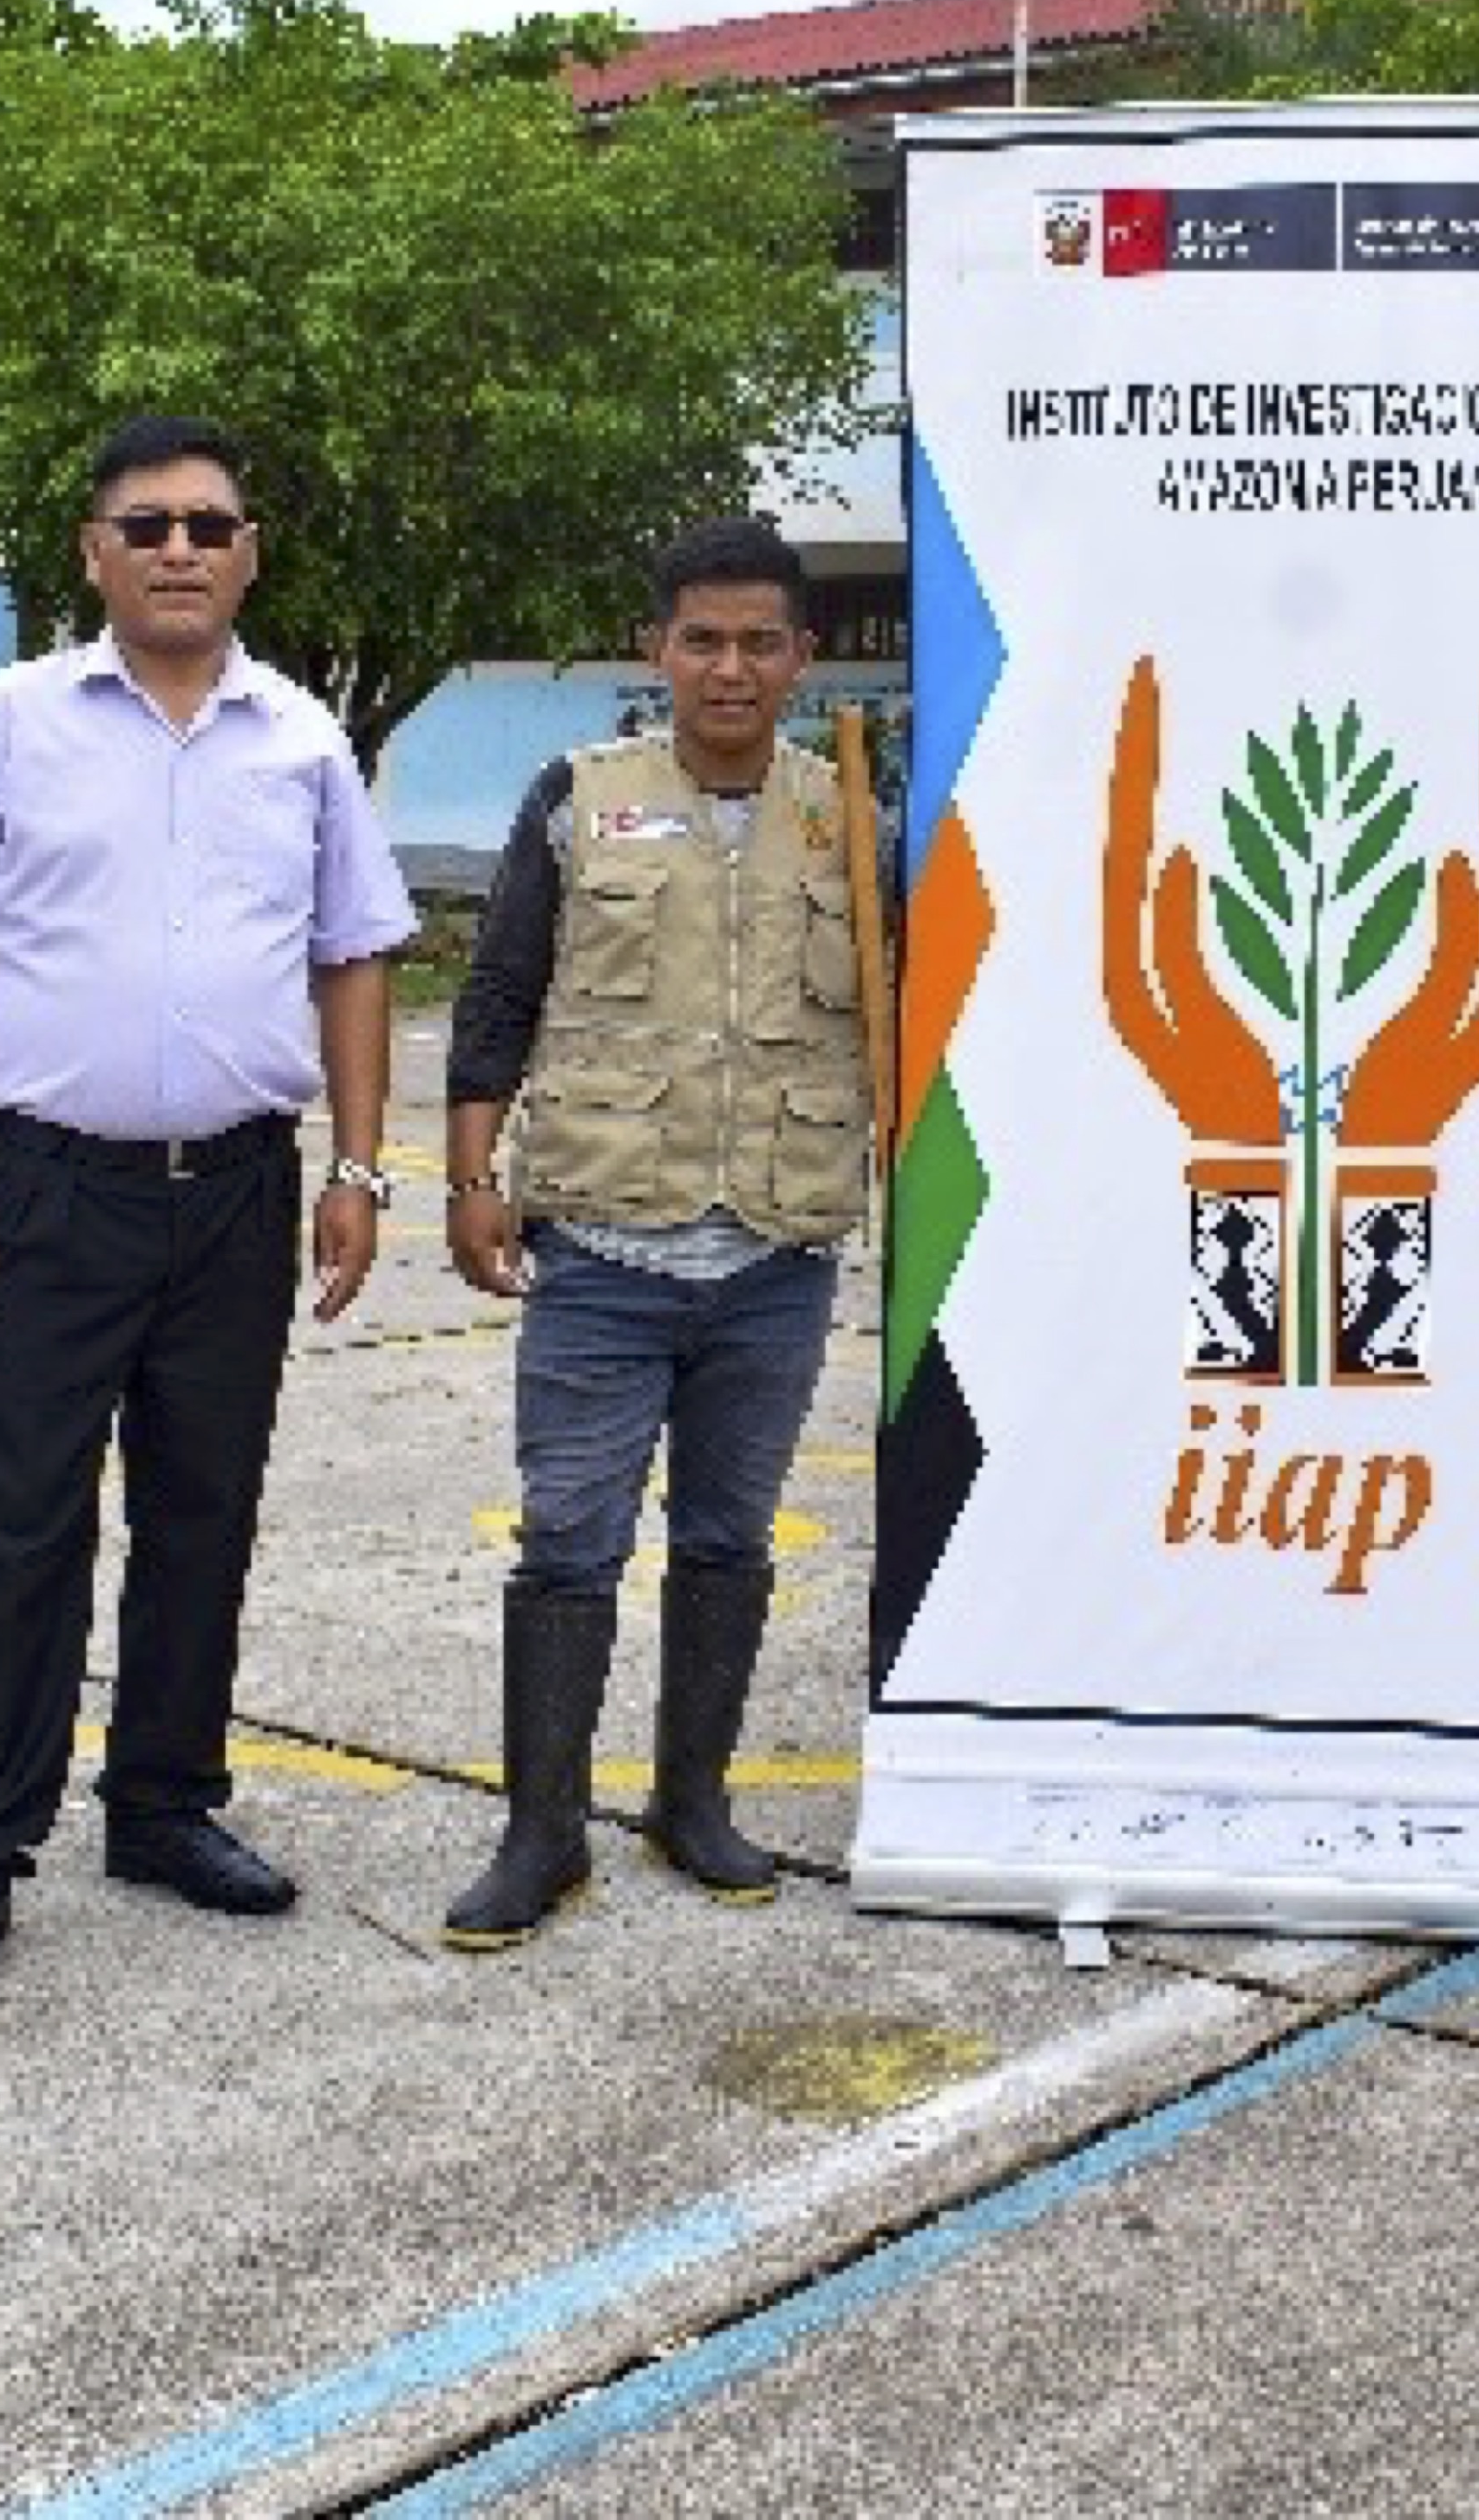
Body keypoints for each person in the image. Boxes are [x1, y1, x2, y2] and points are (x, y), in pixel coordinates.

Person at [0, 416, 413, 2012]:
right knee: (20, 1534)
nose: (181, 549)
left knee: (202, 1517)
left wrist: (360, 1171)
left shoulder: (302, 740)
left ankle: (165, 1807)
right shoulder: (10, 723)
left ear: (250, 554)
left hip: (239, 1193)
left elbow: (356, 956)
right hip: (49, 1191)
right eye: (147, 525)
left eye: (210, 525)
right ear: (94, 554)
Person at [434, 519, 874, 1950]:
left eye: (760, 642)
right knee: (569, 1536)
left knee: (731, 1534)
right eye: (703, 639)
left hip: (774, 1249)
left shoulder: (854, 814)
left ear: (802, 658)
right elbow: (500, 991)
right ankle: (541, 1833)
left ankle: (693, 1802)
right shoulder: (578, 796)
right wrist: (469, 1175)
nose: (731, 668)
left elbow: (910, 1009)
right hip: (605, 1247)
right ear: (657, 650)